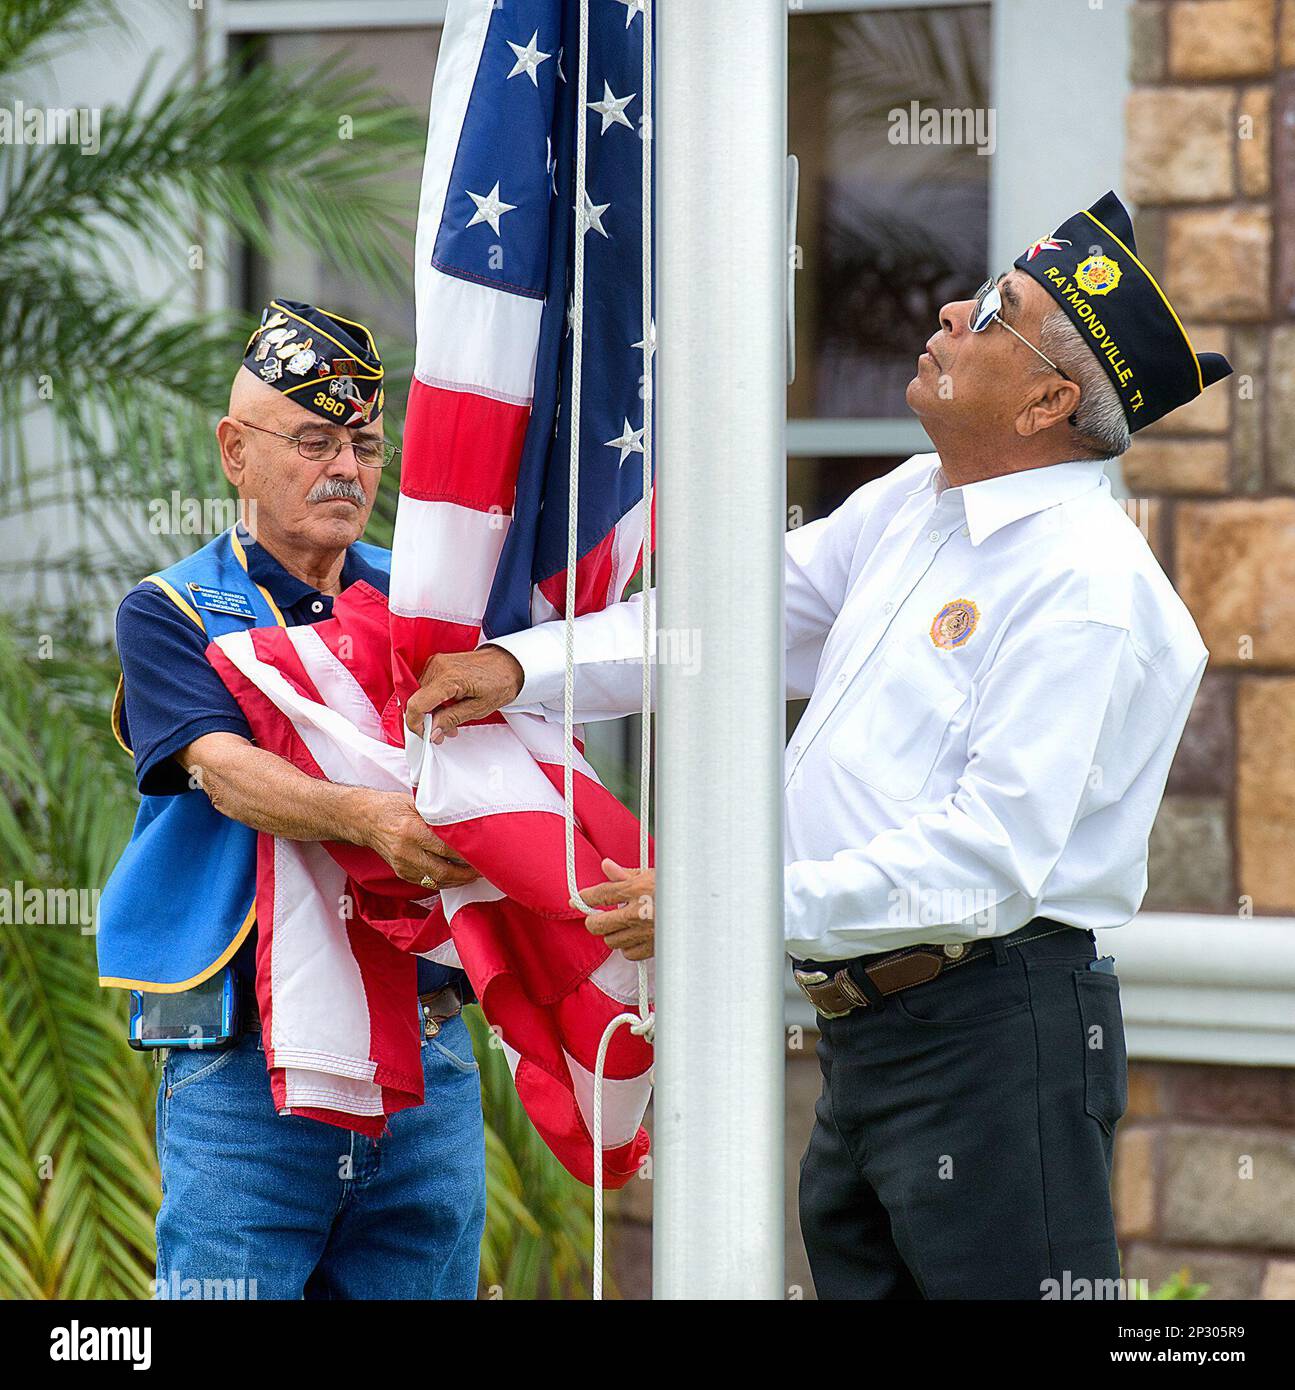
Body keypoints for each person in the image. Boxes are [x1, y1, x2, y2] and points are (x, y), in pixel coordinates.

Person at [402, 192, 1231, 1299]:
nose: (948, 310)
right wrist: (522, 665)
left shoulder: (1083, 585)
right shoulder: (915, 502)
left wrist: (721, 903)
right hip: (867, 1029)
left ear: (1045, 400)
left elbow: (983, 864)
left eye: (994, 311)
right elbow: (720, 629)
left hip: (992, 1033)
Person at [99, 300, 486, 1300]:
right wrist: (365, 820)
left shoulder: (422, 605)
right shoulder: (172, 609)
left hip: (425, 1047)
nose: (346, 468)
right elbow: (221, 768)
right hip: (240, 1066)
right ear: (235, 450)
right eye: (313, 440)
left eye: (363, 442)